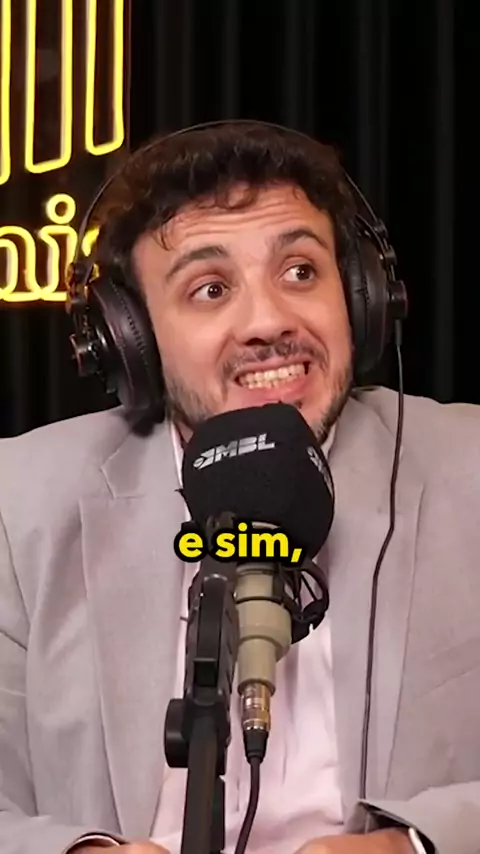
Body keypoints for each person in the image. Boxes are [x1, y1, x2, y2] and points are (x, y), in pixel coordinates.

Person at [0, 120, 479, 854]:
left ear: (361, 296)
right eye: (211, 288)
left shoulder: (468, 467)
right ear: (130, 339)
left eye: (301, 272)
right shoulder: (21, 504)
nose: (269, 321)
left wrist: (414, 845)